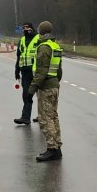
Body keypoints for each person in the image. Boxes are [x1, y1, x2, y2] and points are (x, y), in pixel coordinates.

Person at [28, 20, 62, 161]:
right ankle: (57, 146)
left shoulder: (44, 47)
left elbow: (41, 71)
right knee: (53, 117)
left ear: (40, 31)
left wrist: (32, 88)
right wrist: (56, 81)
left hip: (46, 87)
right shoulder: (55, 45)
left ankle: (52, 148)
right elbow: (59, 69)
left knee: (45, 118)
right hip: (54, 85)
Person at [14, 22, 40, 125]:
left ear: (32, 29)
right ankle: (25, 117)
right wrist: (17, 70)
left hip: (38, 72)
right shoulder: (21, 41)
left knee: (41, 96)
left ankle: (42, 116)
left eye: (27, 28)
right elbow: (19, 57)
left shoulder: (38, 39)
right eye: (23, 28)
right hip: (25, 73)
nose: (25, 30)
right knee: (26, 95)